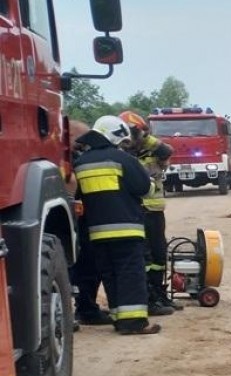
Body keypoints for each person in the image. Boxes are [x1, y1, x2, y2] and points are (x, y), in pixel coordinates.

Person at [73, 116, 161, 335]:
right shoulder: (122, 160)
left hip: (96, 234)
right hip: (127, 229)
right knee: (130, 273)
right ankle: (134, 323)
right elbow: (143, 188)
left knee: (110, 273)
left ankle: (118, 318)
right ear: (117, 136)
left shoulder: (81, 163)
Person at [120, 111, 177, 314]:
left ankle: (159, 294)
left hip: (155, 212)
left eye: (139, 132)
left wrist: (144, 136)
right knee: (145, 259)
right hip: (136, 212)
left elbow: (167, 151)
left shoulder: (152, 150)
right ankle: (147, 299)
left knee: (160, 256)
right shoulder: (122, 154)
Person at [66, 119, 113, 326]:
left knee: (90, 267)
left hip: (84, 220)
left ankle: (86, 307)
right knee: (85, 267)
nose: (85, 145)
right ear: (67, 137)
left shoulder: (76, 159)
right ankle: (85, 309)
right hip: (78, 223)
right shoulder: (67, 162)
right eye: (81, 140)